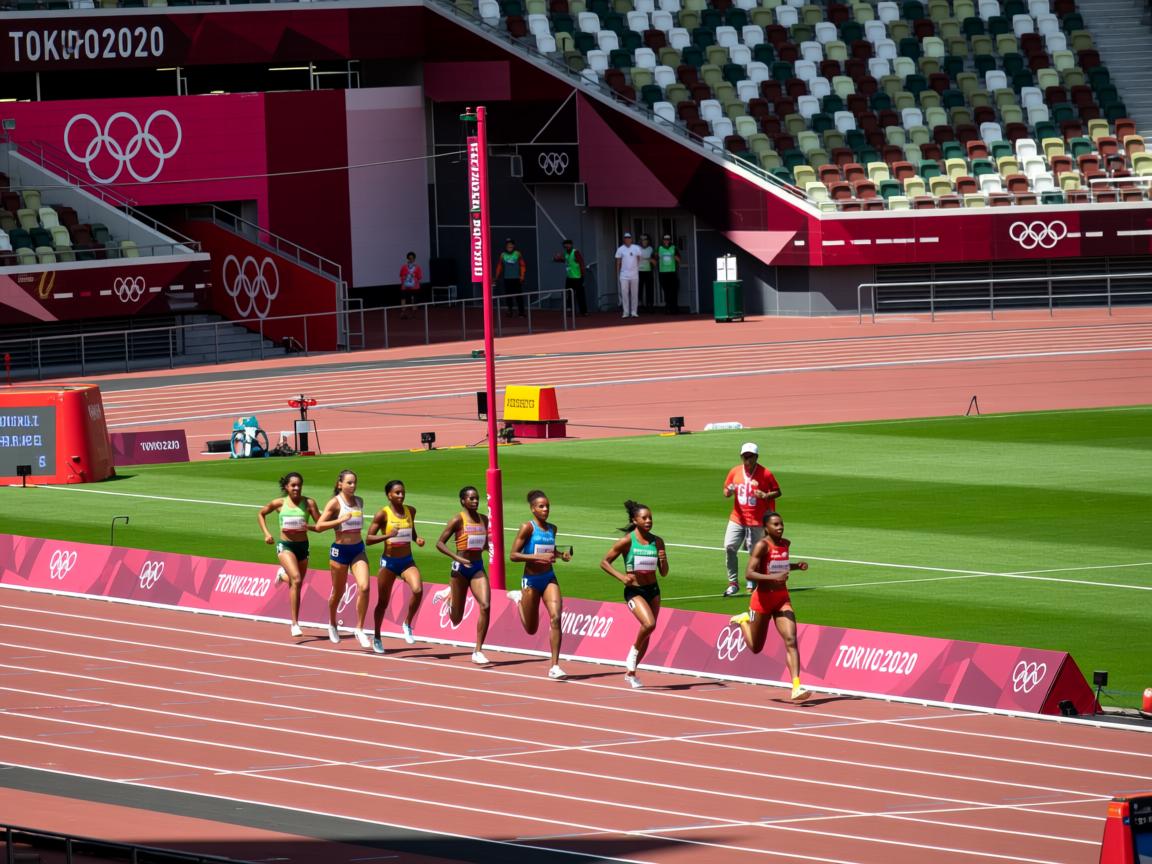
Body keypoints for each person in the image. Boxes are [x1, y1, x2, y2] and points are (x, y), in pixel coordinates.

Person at [730, 512, 811, 703]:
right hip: (762, 600)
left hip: (782, 599)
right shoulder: (762, 546)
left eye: (781, 524)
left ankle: (796, 686)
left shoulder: (785, 544)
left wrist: (796, 566)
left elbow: (779, 565)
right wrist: (773, 578)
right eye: (775, 524)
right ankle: (743, 621)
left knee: (791, 639)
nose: (780, 527)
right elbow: (749, 573)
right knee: (756, 647)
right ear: (766, 527)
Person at [599, 500, 668, 688]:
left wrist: (663, 559)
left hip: (653, 590)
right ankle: (633, 653)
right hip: (634, 590)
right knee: (649, 623)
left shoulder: (657, 541)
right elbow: (604, 562)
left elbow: (664, 573)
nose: (648, 521)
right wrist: (622, 577)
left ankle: (631, 672)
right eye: (644, 518)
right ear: (634, 520)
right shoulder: (627, 541)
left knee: (649, 631)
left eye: (650, 518)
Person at [507, 489, 572, 679]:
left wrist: (561, 555)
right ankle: (519, 599)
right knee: (531, 628)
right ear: (532, 509)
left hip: (549, 578)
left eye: (547, 506)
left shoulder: (553, 528)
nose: (545, 510)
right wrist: (537, 557)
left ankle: (555, 666)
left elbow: (550, 549)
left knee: (556, 618)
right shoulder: (527, 527)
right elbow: (513, 555)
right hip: (531, 581)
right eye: (541, 506)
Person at [433, 485, 492, 665]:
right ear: (463, 501)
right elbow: (440, 543)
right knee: (456, 619)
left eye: (477, 498)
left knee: (485, 605)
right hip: (459, 569)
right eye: (471, 498)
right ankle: (448, 596)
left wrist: (486, 547)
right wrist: (458, 557)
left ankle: (478, 650)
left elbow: (481, 543)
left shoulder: (484, 519)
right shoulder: (458, 519)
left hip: (477, 567)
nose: (475, 501)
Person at [258, 472, 322, 638]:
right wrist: (266, 534)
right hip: (285, 546)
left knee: (297, 583)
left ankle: (282, 575)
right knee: (297, 580)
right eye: (293, 485)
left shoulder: (309, 503)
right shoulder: (279, 503)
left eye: (299, 485)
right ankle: (294, 623)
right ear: (286, 487)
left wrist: (309, 527)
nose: (297, 488)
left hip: (303, 546)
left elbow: (320, 524)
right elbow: (261, 514)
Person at [367, 479, 426, 654]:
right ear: (389, 495)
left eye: (402, 492)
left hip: (407, 561)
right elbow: (368, 539)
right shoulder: (382, 514)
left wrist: (417, 539)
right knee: (383, 603)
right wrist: (387, 536)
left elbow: (411, 530)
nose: (401, 495)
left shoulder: (411, 511)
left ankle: (407, 623)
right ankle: (377, 636)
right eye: (397, 493)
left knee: (417, 589)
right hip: (389, 563)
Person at [315, 470, 372, 647]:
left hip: (358, 550)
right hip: (340, 551)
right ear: (340, 484)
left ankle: (359, 629)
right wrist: (339, 520)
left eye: (354, 482)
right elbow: (319, 526)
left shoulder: (359, 501)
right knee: (338, 593)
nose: (353, 486)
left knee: (365, 586)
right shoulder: (335, 503)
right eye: (349, 483)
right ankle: (332, 623)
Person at [723, 442, 781, 597]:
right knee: (729, 546)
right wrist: (728, 491)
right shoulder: (735, 471)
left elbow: (777, 491)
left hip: (757, 521)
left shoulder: (765, 473)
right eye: (745, 456)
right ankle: (733, 583)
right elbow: (726, 490)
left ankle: (752, 581)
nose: (747, 459)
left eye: (750, 456)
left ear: (756, 457)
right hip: (737, 518)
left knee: (754, 553)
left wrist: (765, 495)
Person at [494, 238, 527, 317]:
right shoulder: (502, 255)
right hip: (507, 279)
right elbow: (499, 266)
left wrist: (522, 276)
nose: (510, 246)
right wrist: (496, 276)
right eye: (508, 244)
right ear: (506, 246)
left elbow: (522, 265)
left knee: (519, 296)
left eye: (511, 244)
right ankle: (510, 311)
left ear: (514, 245)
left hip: (516, 279)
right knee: (508, 296)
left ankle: (521, 312)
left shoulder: (517, 254)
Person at [555, 238, 588, 316]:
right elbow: (566, 261)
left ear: (571, 245)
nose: (566, 247)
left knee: (580, 295)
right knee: (569, 295)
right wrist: (557, 259)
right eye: (565, 246)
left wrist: (583, 276)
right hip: (569, 277)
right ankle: (571, 311)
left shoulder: (575, 252)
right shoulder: (566, 253)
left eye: (567, 245)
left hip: (577, 277)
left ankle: (584, 311)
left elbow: (581, 263)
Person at [615, 232, 642, 319]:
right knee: (624, 293)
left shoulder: (636, 248)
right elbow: (618, 262)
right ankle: (626, 312)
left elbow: (638, 259)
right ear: (624, 239)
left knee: (634, 293)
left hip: (634, 274)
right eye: (626, 238)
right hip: (624, 275)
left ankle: (634, 312)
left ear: (631, 239)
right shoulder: (620, 249)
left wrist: (636, 269)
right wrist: (618, 273)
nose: (627, 239)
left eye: (629, 237)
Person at [656, 234, 680, 314]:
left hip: (672, 272)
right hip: (663, 273)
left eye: (668, 239)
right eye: (665, 239)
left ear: (670, 240)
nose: (666, 241)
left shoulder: (673, 248)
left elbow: (679, 259)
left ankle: (674, 308)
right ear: (663, 240)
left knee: (673, 291)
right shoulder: (659, 248)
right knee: (666, 291)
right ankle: (668, 308)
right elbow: (654, 259)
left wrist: (675, 257)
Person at [398, 252, 422, 319]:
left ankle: (414, 313)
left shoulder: (417, 267)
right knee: (403, 298)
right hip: (405, 286)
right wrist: (405, 278)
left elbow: (420, 277)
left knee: (414, 299)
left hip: (414, 286)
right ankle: (403, 312)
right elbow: (401, 275)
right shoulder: (404, 267)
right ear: (407, 258)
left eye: (412, 258)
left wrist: (414, 276)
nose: (411, 259)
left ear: (414, 259)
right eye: (409, 258)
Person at [637, 234, 655, 313]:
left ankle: (650, 305)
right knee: (639, 289)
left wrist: (651, 260)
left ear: (648, 241)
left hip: (648, 271)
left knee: (649, 289)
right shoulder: (637, 248)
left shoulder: (651, 249)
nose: (644, 241)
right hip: (639, 272)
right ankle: (639, 305)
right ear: (640, 241)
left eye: (645, 239)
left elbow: (654, 260)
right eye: (642, 240)